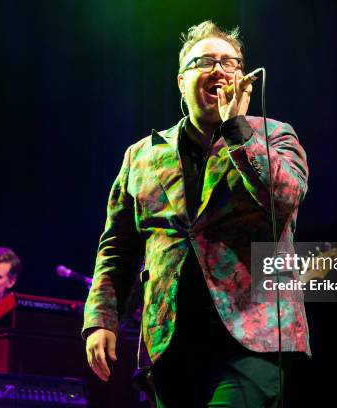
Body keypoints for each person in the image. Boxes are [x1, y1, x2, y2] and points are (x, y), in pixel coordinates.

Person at [83, 20, 309, 407]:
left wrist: (237, 130)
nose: (219, 70)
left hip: (253, 339)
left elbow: (285, 199)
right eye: (204, 61)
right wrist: (101, 319)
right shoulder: (141, 156)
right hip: (169, 342)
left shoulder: (273, 135)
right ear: (180, 80)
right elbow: (117, 247)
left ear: (243, 78)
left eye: (230, 62)